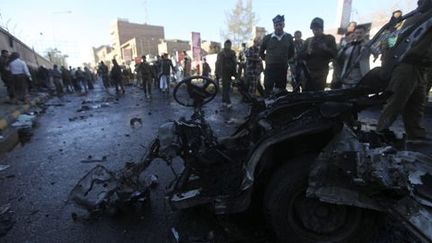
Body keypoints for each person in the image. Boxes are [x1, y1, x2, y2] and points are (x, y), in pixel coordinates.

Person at [376, 0, 432, 142]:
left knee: (417, 103)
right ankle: (380, 131)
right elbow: (390, 42)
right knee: (396, 101)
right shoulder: (413, 20)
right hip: (407, 66)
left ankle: (416, 133)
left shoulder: (417, 19)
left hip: (421, 67)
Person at [259, 15, 294, 96]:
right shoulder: (267, 38)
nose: (278, 27)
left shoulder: (288, 37)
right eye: (276, 25)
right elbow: (261, 52)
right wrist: (268, 60)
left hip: (282, 68)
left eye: (280, 25)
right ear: (273, 26)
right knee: (268, 88)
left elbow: (291, 52)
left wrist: (284, 59)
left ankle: (279, 108)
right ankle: (268, 106)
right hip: (270, 68)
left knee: (281, 90)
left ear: (283, 25)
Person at [299, 17, 337, 91]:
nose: (315, 31)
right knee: (306, 93)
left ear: (321, 28)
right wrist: (307, 52)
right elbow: (300, 56)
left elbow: (335, 54)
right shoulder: (308, 40)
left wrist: (326, 49)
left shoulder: (329, 38)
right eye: (313, 29)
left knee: (318, 94)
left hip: (322, 72)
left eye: (317, 29)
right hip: (308, 72)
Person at [216, 39, 237, 108]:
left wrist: (217, 72)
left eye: (229, 45)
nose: (229, 46)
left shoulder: (221, 53)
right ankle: (227, 102)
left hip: (225, 72)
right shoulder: (231, 53)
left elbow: (217, 63)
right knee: (226, 88)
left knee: (225, 88)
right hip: (225, 72)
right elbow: (234, 63)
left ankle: (224, 101)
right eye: (228, 45)